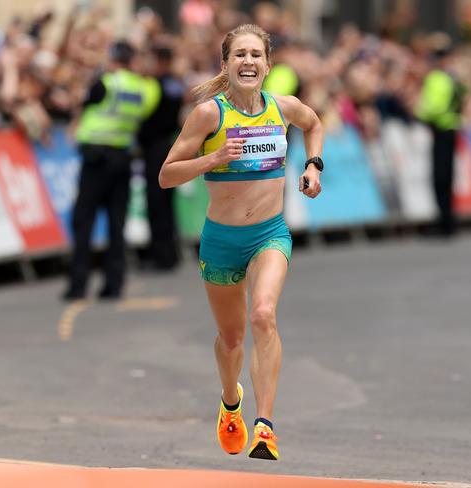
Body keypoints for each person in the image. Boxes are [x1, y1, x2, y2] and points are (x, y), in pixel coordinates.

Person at [159, 24, 323, 460]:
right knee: (230, 340)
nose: (248, 61)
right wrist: (212, 158)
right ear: (226, 64)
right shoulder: (209, 115)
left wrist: (313, 166)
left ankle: (264, 426)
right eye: (239, 55)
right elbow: (165, 175)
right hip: (221, 241)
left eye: (256, 55)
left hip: (269, 233)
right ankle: (230, 401)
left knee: (264, 315)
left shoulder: (282, 108)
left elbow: (314, 122)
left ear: (268, 65)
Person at [63, 41, 158, 301]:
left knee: (84, 222)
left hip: (96, 158)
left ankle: (77, 285)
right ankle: (114, 284)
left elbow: (83, 103)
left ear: (114, 59)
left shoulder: (107, 82)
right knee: (117, 224)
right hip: (123, 157)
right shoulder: (142, 89)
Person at [138, 43, 184, 271]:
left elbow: (141, 113)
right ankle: (171, 253)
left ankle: (160, 256)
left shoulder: (152, 85)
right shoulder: (176, 84)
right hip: (171, 145)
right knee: (167, 203)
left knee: (156, 202)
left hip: (154, 147)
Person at [416, 34, 465, 238]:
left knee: (440, 178)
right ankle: (448, 220)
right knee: (448, 177)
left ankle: (444, 221)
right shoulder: (453, 79)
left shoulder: (436, 78)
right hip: (452, 128)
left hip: (440, 129)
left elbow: (433, 107)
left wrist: (419, 113)